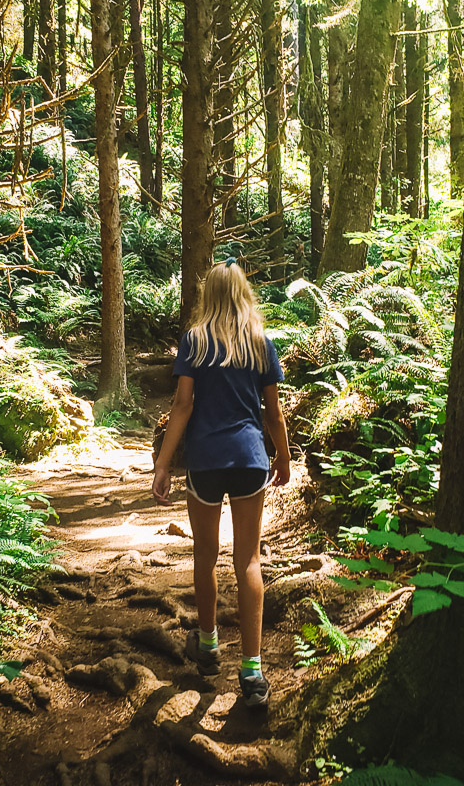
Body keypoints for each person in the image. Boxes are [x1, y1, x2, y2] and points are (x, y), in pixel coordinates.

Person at [152, 258, 290, 708]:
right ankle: (252, 672)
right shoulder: (260, 343)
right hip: (250, 459)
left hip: (206, 462)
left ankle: (208, 644)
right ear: (243, 293)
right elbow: (272, 412)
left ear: (209, 295)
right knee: (248, 560)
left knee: (206, 554)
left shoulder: (194, 341)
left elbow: (183, 404)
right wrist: (284, 456)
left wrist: (163, 463)